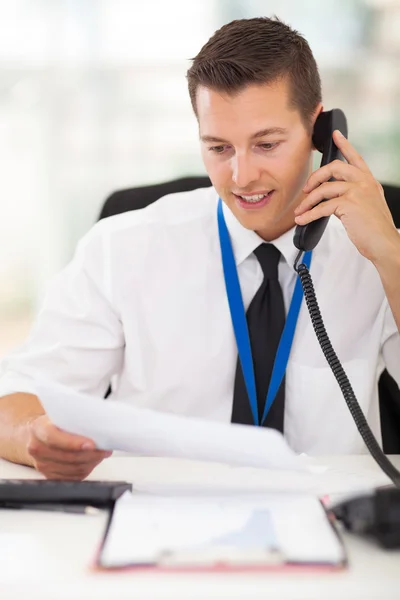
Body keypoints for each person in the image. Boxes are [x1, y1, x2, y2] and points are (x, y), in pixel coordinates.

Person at [0, 17, 399, 481]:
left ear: (320, 129)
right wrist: (35, 435)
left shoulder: (376, 249)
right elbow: (16, 396)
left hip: (334, 520)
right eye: (218, 148)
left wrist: (390, 254)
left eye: (266, 144)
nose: (242, 175)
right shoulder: (123, 246)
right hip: (160, 523)